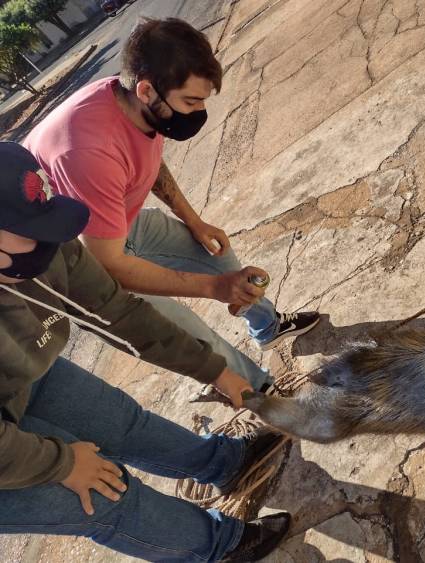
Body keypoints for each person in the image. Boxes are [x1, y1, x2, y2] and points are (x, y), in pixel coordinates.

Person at [0, 142, 291, 561]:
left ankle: (223, 464)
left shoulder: (42, 239)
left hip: (19, 373)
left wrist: (213, 369)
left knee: (118, 420)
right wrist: (61, 464)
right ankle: (215, 547)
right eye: (34, 236)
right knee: (105, 495)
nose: (52, 248)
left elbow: (115, 310)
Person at [23, 17, 320, 394]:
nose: (197, 112)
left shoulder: (130, 102)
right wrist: (215, 289)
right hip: (80, 265)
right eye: (191, 101)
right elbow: (111, 264)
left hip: (118, 223)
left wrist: (194, 221)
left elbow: (146, 161)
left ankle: (268, 327)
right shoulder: (86, 151)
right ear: (147, 90)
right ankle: (258, 393)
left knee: (221, 258)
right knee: (183, 328)